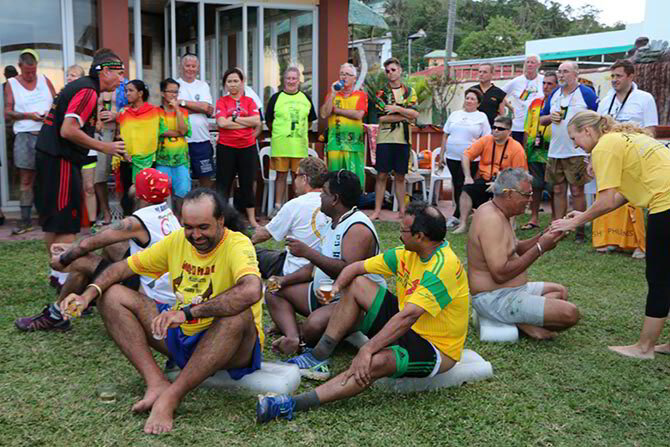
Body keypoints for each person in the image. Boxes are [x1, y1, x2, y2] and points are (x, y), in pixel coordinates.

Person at [59, 188, 263, 434]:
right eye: (189, 227)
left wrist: (187, 313)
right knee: (111, 295)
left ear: (220, 221)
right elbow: (123, 268)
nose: (195, 235)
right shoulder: (178, 241)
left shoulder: (237, 244)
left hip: (230, 348)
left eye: (203, 227)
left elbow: (252, 291)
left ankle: (171, 396)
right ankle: (155, 382)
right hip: (183, 337)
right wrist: (86, 295)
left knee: (239, 316)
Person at [256, 202, 470, 423]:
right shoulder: (407, 253)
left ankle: (291, 404)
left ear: (421, 237)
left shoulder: (442, 268)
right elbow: (356, 268)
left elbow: (408, 317)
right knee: (358, 283)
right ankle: (318, 356)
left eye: (403, 230)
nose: (399, 234)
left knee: (374, 363)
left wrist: (367, 349)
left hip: (434, 346)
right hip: (405, 320)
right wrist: (337, 288)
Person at [552, 111, 670, 359]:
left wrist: (576, 223)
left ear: (587, 131)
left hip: (666, 205)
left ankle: (644, 348)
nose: (575, 145)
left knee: (659, 277)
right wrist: (584, 215)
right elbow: (622, 195)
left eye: (574, 138)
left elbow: (605, 200)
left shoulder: (604, 146)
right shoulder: (622, 137)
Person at [15, 168, 179, 332]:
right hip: (163, 287)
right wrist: (71, 247)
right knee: (110, 245)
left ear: (139, 194)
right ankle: (88, 293)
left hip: (150, 295)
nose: (132, 187)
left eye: (136, 185)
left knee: (80, 260)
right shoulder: (167, 213)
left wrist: (63, 258)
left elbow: (89, 244)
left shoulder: (138, 221)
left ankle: (56, 316)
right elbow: (104, 237)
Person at [34, 48, 127, 293]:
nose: (121, 80)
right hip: (60, 160)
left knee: (54, 222)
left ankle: (56, 275)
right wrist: (105, 146)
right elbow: (68, 130)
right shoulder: (87, 90)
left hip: (50, 158)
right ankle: (63, 281)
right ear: (105, 71)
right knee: (65, 223)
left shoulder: (84, 88)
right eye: (119, 73)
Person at [265, 169, 385, 357]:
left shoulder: (357, 227)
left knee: (314, 324)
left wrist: (308, 252)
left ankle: (305, 335)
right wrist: (283, 280)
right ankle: (293, 337)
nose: (320, 196)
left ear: (335, 199)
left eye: (325, 193)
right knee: (272, 290)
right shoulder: (332, 222)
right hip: (325, 296)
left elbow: (348, 272)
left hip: (352, 304)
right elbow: (313, 269)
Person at [468, 168, 580, 339]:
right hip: (494, 298)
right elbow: (500, 274)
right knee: (570, 313)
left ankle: (523, 321)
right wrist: (540, 248)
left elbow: (516, 247)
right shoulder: (491, 219)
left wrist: (549, 233)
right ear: (509, 194)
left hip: (510, 292)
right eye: (526, 195)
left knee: (559, 291)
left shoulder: (500, 212)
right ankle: (522, 322)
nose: (530, 199)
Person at [592, 59, 658, 259]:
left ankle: (639, 244)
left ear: (631, 76)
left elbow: (651, 129)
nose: (614, 80)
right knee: (609, 197)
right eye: (612, 76)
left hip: (635, 157)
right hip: (611, 157)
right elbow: (598, 131)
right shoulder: (605, 100)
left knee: (634, 200)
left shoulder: (644, 98)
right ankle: (612, 239)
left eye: (619, 76)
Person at [539, 61, 598, 243]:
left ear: (576, 74)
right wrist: (550, 117)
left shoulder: (586, 93)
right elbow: (542, 119)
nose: (561, 75)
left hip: (577, 150)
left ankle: (579, 229)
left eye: (565, 71)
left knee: (577, 191)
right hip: (556, 151)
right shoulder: (555, 93)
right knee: (557, 189)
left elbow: (598, 118)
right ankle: (559, 227)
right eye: (559, 72)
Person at [4, 49, 56, 235]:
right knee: (26, 179)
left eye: (33, 71)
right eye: (27, 72)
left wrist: (50, 114)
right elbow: (7, 112)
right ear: (20, 67)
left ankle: (49, 216)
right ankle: (25, 220)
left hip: (46, 134)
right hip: (24, 135)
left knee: (49, 176)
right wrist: (28, 115)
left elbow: (57, 103)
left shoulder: (44, 80)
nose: (30, 75)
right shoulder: (11, 84)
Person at [252, 156, 330, 279]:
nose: (294, 181)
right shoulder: (333, 202)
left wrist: (243, 242)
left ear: (304, 179)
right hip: (325, 269)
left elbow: (264, 235)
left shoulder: (295, 205)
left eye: (296, 175)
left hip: (293, 269)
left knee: (250, 253)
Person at [452, 116, 527, 234]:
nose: (496, 130)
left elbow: (519, 174)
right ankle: (463, 224)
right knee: (466, 190)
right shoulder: (485, 140)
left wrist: (499, 183)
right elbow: (466, 155)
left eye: (500, 128)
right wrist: (468, 176)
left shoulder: (517, 148)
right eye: (494, 127)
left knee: (510, 193)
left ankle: (510, 223)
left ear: (509, 132)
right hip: (485, 179)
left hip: (507, 182)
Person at [369, 57, 419, 221]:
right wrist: (405, 115)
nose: (390, 73)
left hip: (403, 140)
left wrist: (396, 109)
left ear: (400, 70)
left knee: (400, 176)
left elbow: (415, 114)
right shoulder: (381, 93)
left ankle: (402, 211)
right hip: (385, 139)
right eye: (388, 71)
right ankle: (377, 211)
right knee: (381, 175)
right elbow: (382, 118)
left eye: (393, 70)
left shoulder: (409, 91)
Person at [265, 66, 317, 213]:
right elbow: (269, 121)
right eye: (288, 78)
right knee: (280, 176)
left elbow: (310, 121)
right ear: (283, 80)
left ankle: (297, 208)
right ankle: (277, 207)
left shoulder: (305, 98)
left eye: (294, 78)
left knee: (299, 177)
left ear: (299, 80)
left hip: (299, 146)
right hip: (281, 145)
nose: (291, 81)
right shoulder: (276, 98)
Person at [438, 87, 491, 229]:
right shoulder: (455, 114)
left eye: (472, 99)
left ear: (478, 103)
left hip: (470, 159)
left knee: (464, 185)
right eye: (467, 98)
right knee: (456, 184)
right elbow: (445, 135)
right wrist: (442, 155)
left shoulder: (482, 117)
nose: (469, 100)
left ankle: (457, 216)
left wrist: (478, 146)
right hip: (452, 157)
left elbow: (487, 138)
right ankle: (461, 213)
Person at [215, 67, 261, 228]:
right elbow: (221, 123)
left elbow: (256, 121)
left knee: (247, 183)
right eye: (229, 81)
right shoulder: (222, 101)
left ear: (242, 83)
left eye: (236, 81)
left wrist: (233, 118)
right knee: (223, 184)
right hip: (226, 147)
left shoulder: (249, 101)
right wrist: (244, 121)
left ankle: (252, 220)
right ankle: (221, 218)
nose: (233, 84)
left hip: (247, 147)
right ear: (225, 84)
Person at [116, 80, 160, 216]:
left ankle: (143, 222)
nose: (127, 94)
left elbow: (159, 132)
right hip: (127, 159)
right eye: (126, 91)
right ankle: (128, 222)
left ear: (140, 93)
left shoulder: (154, 111)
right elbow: (118, 135)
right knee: (128, 194)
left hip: (148, 160)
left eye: (130, 90)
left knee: (146, 193)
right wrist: (123, 154)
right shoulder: (123, 112)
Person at [321, 63, 368, 189]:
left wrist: (337, 111)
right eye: (342, 74)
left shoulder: (361, 95)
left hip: (354, 144)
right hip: (335, 143)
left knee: (355, 179)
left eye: (348, 74)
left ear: (354, 79)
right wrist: (332, 94)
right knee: (334, 179)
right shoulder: (332, 94)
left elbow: (358, 115)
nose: (344, 77)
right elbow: (324, 113)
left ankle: (355, 205)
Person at [521, 71, 558, 229]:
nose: (546, 86)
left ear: (557, 86)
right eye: (544, 83)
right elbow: (527, 127)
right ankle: (534, 219)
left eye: (550, 83)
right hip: (534, 150)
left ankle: (555, 220)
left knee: (553, 188)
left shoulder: (559, 102)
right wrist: (524, 149)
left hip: (552, 151)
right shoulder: (535, 102)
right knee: (535, 186)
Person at [65, 65, 99, 231]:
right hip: (69, 151)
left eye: (74, 75)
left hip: (88, 149)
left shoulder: (90, 97)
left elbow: (97, 126)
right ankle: (72, 221)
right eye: (68, 75)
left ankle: (93, 223)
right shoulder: (63, 98)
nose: (70, 78)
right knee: (71, 188)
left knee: (89, 187)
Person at [177, 53, 215, 189]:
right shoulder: (175, 85)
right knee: (182, 178)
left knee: (205, 176)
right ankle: (183, 209)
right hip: (181, 140)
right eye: (187, 65)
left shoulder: (203, 85)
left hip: (202, 139)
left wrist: (181, 103)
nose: (190, 69)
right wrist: (199, 107)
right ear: (181, 67)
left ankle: (207, 206)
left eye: (194, 66)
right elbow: (172, 110)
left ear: (198, 68)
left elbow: (207, 108)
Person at [157, 77, 191, 217]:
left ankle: (181, 221)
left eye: (176, 92)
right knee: (163, 192)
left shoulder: (183, 112)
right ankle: (167, 221)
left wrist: (177, 109)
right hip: (162, 159)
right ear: (162, 93)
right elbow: (160, 131)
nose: (173, 95)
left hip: (181, 159)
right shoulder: (156, 112)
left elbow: (183, 130)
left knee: (182, 192)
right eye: (170, 91)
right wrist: (178, 133)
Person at [94, 82, 125, 227]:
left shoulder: (124, 87)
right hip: (99, 134)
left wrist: (116, 116)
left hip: (119, 133)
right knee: (99, 176)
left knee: (122, 176)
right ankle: (106, 212)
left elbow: (131, 110)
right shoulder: (94, 87)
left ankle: (124, 211)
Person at [502, 54, 544, 145]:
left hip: (537, 125)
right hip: (519, 126)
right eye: (527, 62)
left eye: (532, 62)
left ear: (538, 65)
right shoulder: (516, 81)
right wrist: (511, 108)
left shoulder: (543, 81)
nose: (529, 65)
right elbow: (500, 94)